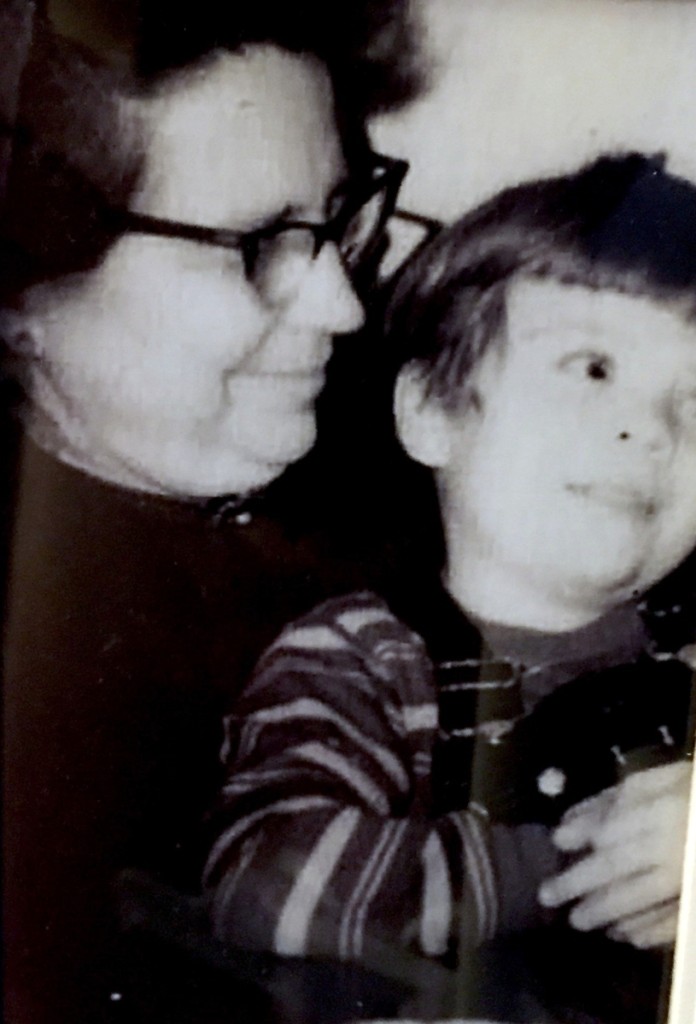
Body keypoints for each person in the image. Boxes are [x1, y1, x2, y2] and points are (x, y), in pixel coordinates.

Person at [1, 6, 422, 1022]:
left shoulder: (396, 470)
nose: (343, 305)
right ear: (24, 292)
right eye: (264, 243)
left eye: (335, 218)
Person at [204, 153, 696, 1022]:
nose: (651, 430)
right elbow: (271, 883)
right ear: (432, 407)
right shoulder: (362, 655)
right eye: (593, 367)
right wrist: (588, 865)